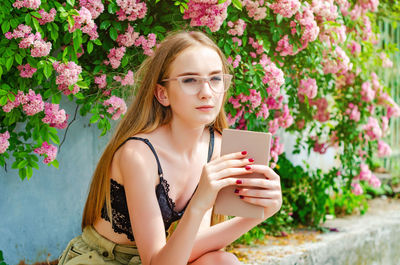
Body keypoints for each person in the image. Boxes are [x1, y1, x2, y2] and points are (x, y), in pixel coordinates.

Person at [58, 30, 282, 265]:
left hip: (163, 258)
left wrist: (260, 213)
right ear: (162, 94)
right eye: (190, 80)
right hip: (105, 259)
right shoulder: (138, 156)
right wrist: (200, 202)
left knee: (221, 262)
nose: (207, 93)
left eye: (215, 79)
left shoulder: (216, 146)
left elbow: (195, 247)